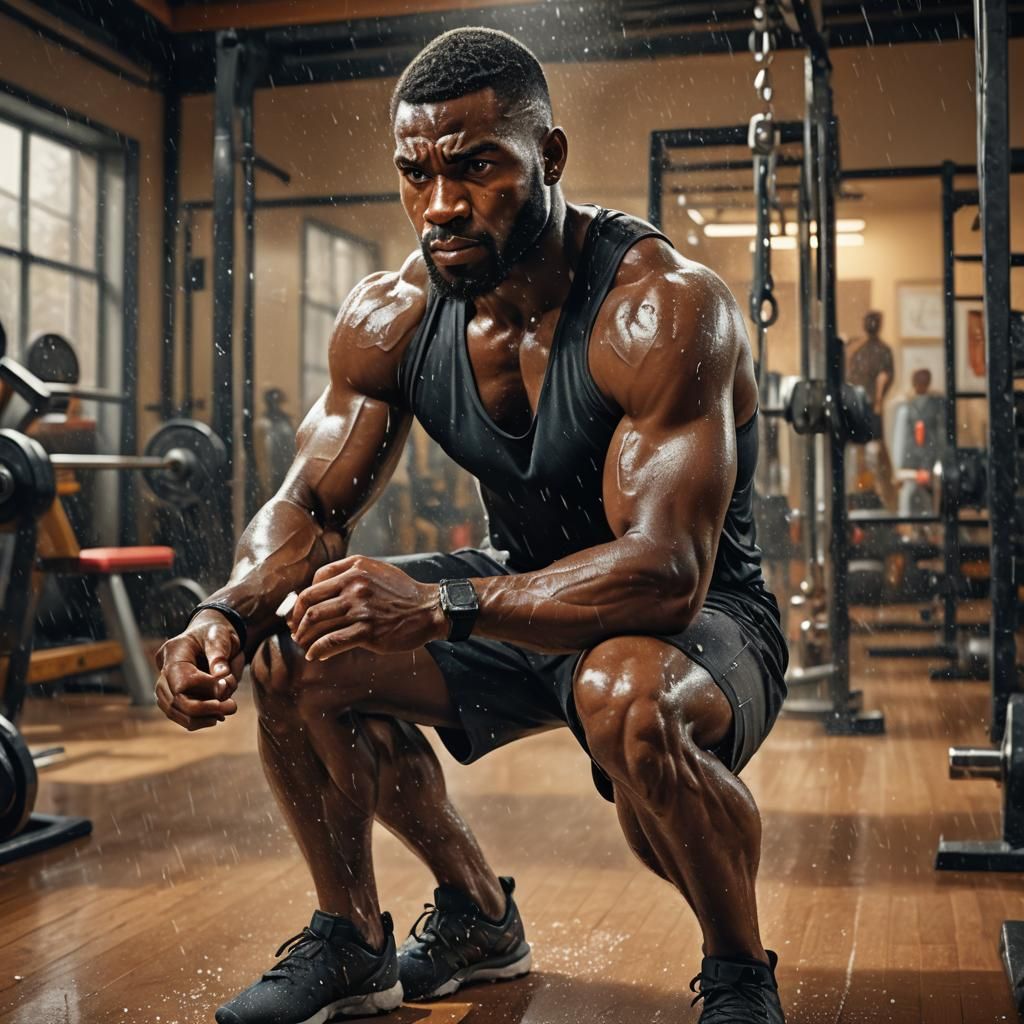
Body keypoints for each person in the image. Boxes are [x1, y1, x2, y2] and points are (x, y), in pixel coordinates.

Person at [154, 27, 788, 1024]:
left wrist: (443, 604)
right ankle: (414, 924)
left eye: (477, 167)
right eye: (416, 175)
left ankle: (740, 971)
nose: (441, 204)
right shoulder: (392, 316)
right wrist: (227, 613)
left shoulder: (661, 309)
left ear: (551, 158)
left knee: (626, 698)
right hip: (514, 588)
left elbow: (667, 572)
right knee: (298, 647)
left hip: (695, 621)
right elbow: (308, 507)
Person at [845, 311, 897, 507]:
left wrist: (878, 398)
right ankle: (859, 499)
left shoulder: (883, 350)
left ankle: (879, 499)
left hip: (872, 409)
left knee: (875, 455)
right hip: (857, 407)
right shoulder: (856, 348)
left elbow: (886, 376)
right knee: (858, 456)